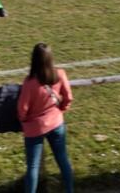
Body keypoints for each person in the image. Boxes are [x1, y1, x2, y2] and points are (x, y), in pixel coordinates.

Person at [18, 43, 74, 193]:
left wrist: (24, 121)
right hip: (56, 123)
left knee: (33, 167)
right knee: (63, 160)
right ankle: (69, 190)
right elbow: (68, 97)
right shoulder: (60, 74)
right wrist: (61, 110)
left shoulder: (29, 82)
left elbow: (22, 109)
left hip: (34, 128)